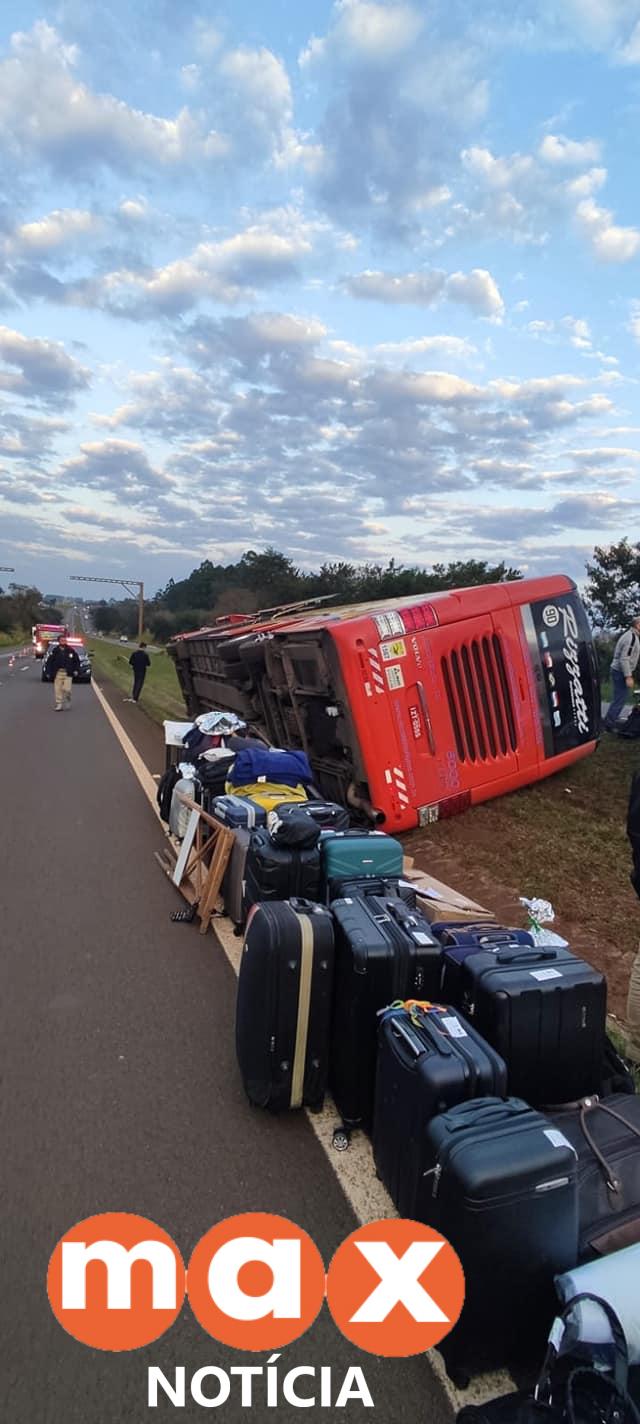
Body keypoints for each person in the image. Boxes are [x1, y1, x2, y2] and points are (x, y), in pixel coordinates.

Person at [603, 616, 640, 731]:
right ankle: (609, 724)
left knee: (619, 697)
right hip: (620, 672)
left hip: (618, 670)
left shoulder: (631, 636)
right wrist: (628, 676)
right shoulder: (631, 639)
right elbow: (624, 659)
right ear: (638, 625)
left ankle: (610, 721)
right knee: (620, 698)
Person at [47, 634, 81, 711]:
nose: (63, 641)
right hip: (58, 672)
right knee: (58, 689)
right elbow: (49, 662)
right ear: (59, 641)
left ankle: (68, 699)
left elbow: (76, 661)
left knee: (67, 689)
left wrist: (76, 670)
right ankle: (59, 704)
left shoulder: (70, 650)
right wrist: (48, 672)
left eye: (64, 640)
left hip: (68, 673)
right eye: (62, 640)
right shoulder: (55, 651)